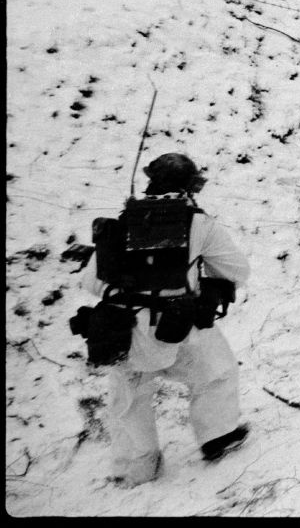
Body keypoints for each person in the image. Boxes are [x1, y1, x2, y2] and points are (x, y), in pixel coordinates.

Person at [78, 153, 251, 487]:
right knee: (217, 370)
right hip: (176, 327)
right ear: (190, 186)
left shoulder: (122, 222)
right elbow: (238, 271)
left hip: (121, 331)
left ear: (150, 182)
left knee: (128, 397)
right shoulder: (200, 223)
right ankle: (217, 437)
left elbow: (91, 282)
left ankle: (136, 467)